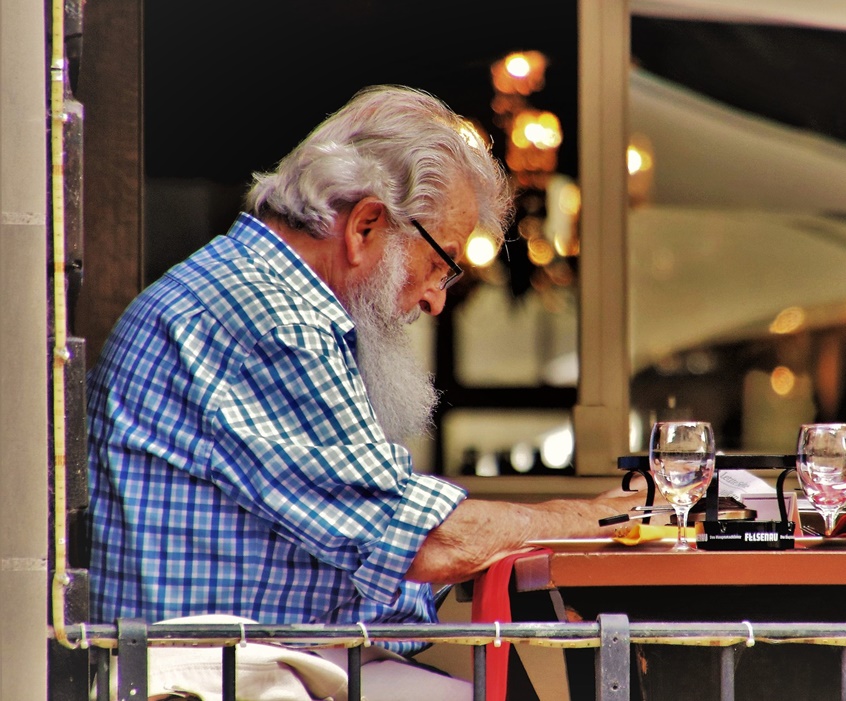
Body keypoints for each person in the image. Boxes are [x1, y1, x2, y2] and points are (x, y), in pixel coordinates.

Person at [86, 85, 643, 699]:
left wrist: (521, 546)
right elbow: (424, 541)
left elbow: (369, 544)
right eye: (441, 264)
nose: (437, 298)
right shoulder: (274, 320)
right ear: (366, 226)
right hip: (218, 679)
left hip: (254, 666)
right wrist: (605, 517)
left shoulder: (255, 294)